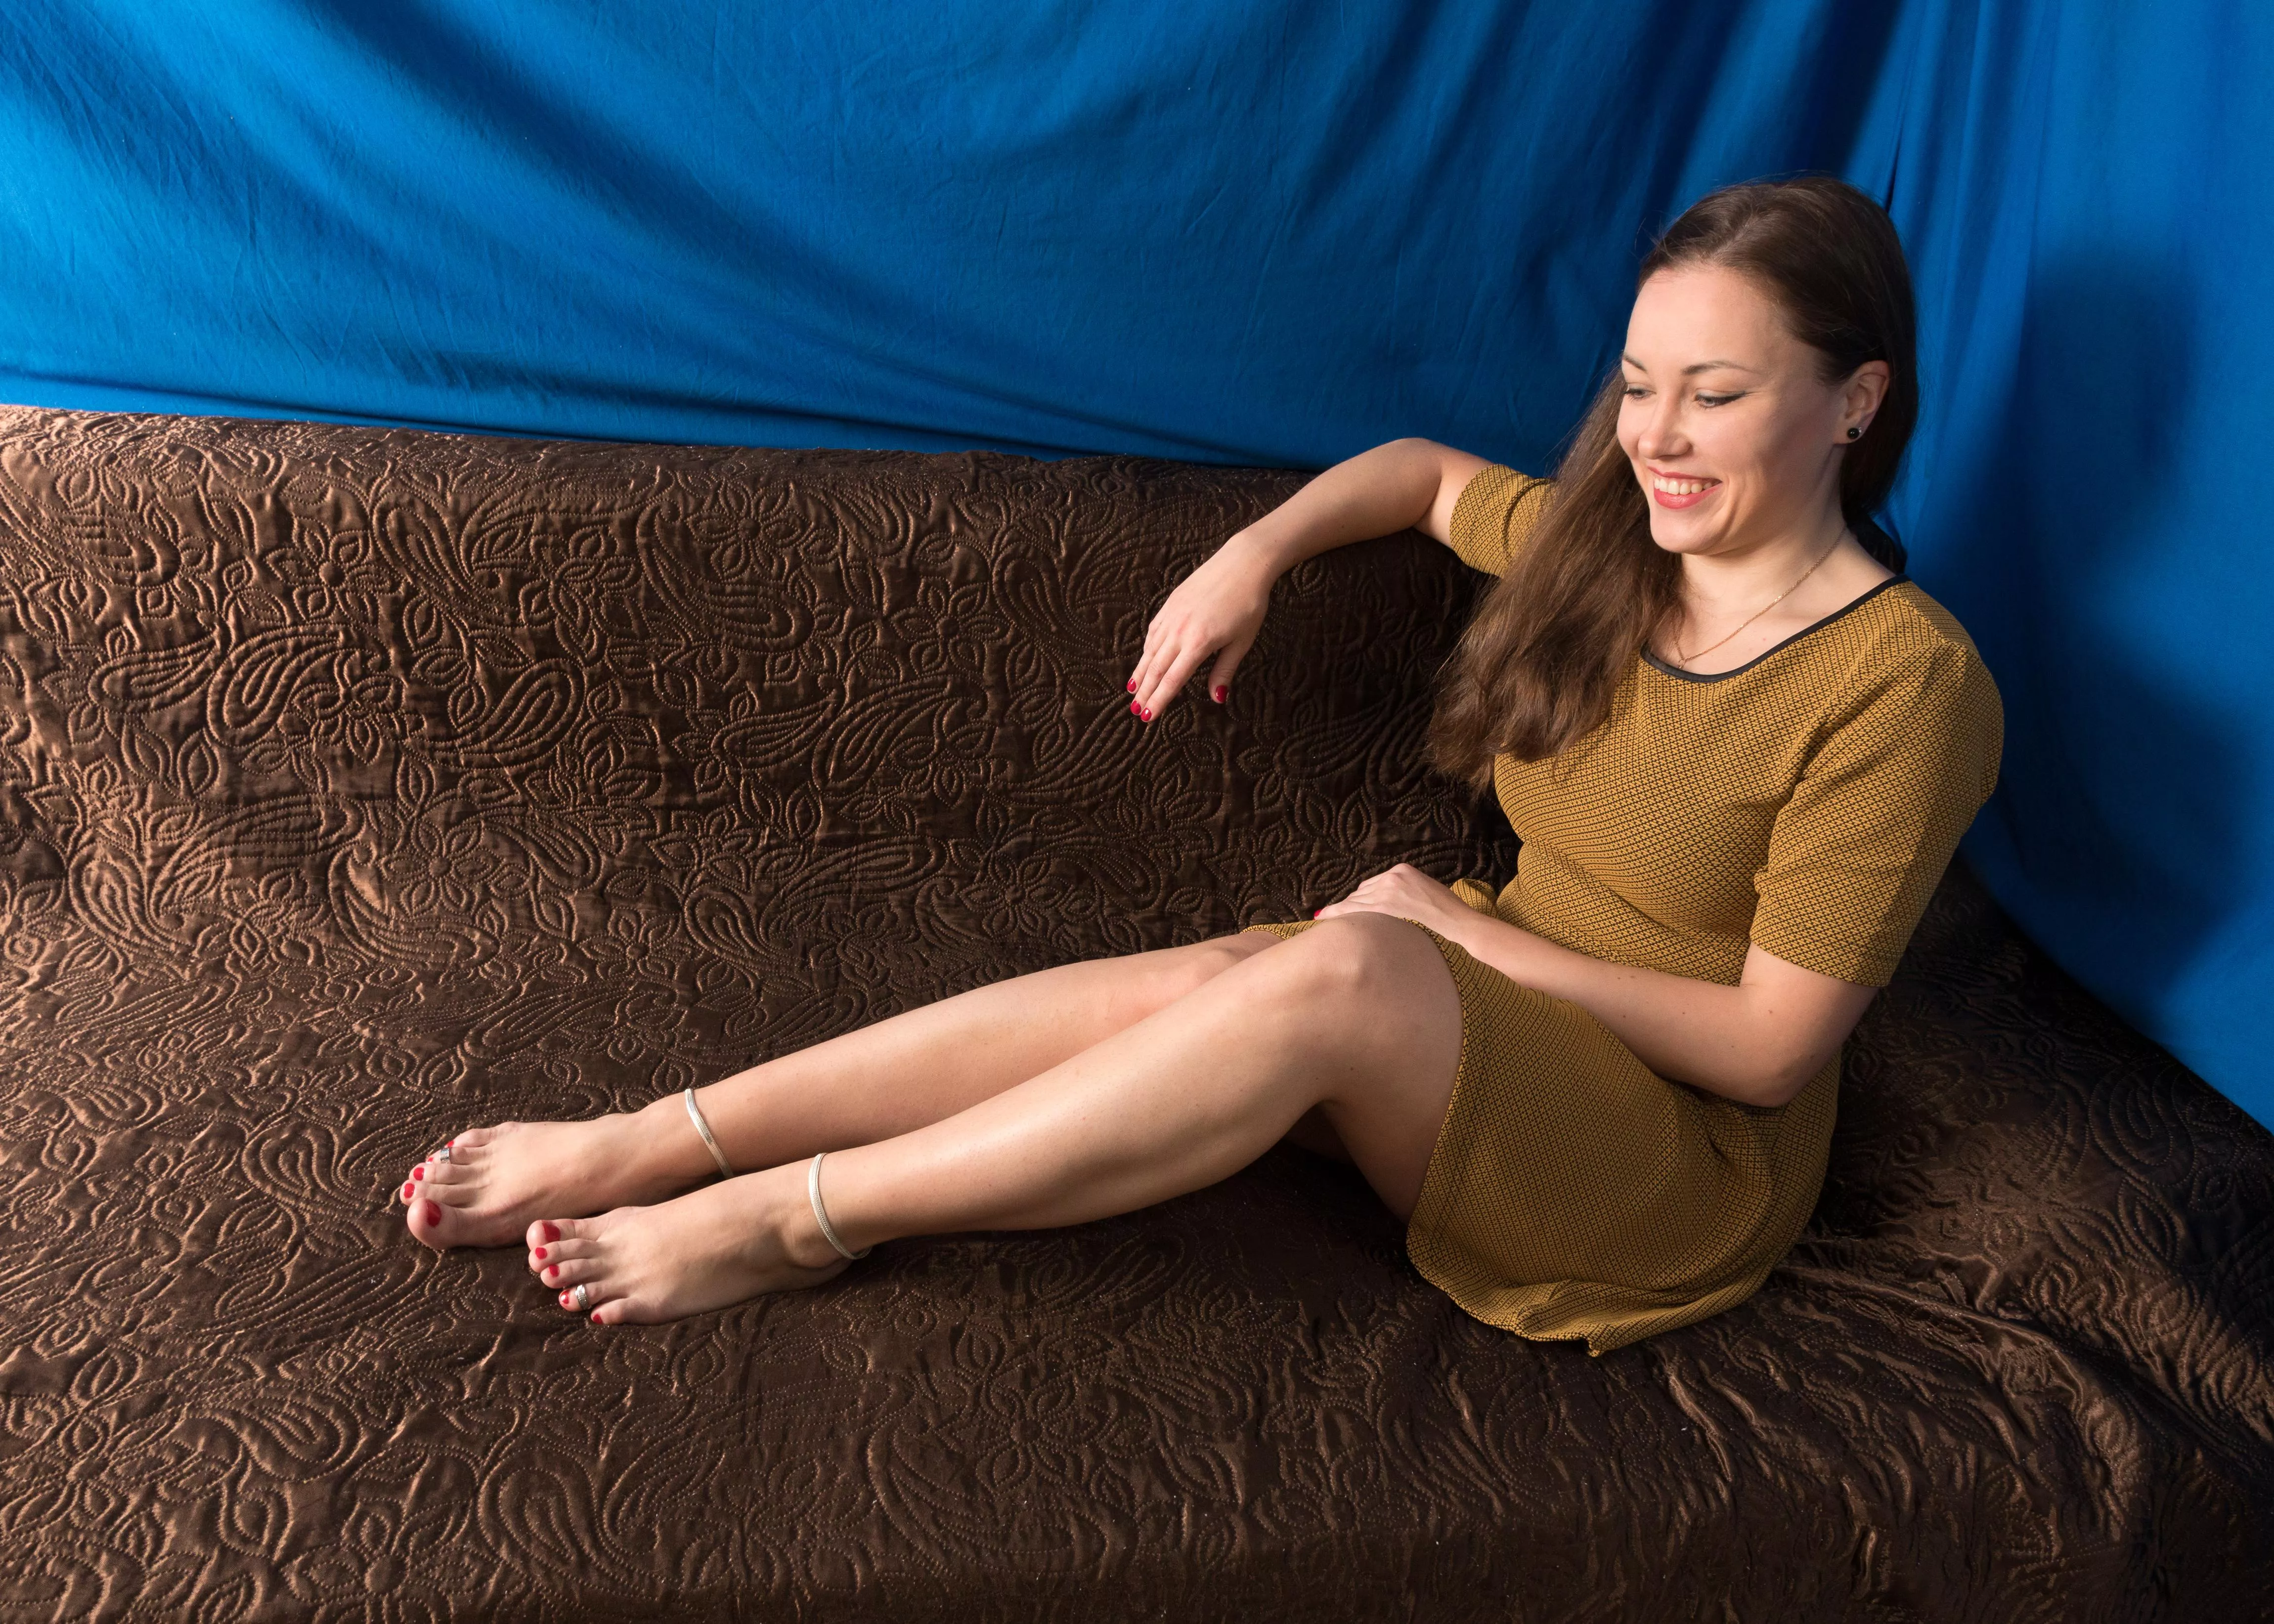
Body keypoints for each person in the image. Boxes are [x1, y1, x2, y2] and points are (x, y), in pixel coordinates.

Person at [395, 175, 2001, 1353]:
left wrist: (1459, 936)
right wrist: (1259, 551)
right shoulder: (1615, 549)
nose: (1654, 435)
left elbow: (1772, 1052)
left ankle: (801, 1215)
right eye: (1641, 386)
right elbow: (1425, 474)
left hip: (1671, 1162)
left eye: (1715, 395)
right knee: (1222, 974)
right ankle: (658, 1136)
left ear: (1855, 401)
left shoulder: (1902, 684)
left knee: (1343, 967)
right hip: (1483, 1011)